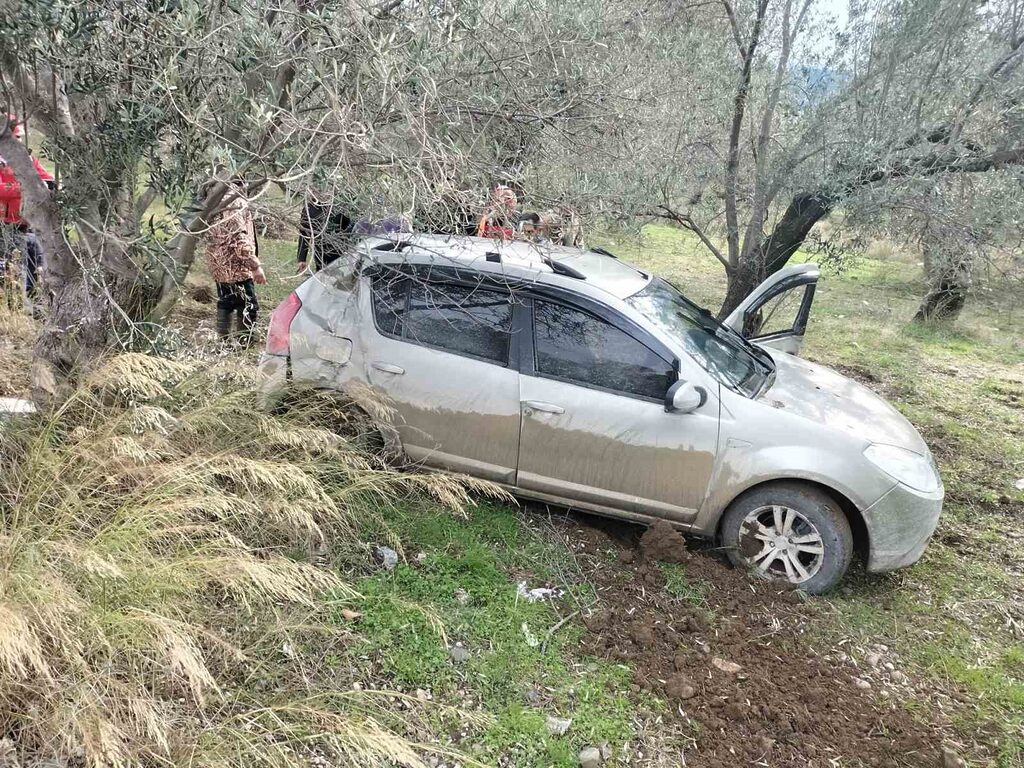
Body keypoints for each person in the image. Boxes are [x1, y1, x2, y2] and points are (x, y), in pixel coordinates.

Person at [0, 115, 55, 301]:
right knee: (12, 272)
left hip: (30, 225)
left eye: (20, 138)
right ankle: (12, 308)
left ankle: (34, 308)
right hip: (6, 227)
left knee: (37, 269)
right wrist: (28, 187)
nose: (19, 142)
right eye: (16, 138)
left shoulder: (28, 159)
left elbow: (47, 179)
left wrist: (51, 186)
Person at [204, 184, 265, 344]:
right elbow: (239, 237)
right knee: (248, 305)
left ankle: (223, 342)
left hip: (219, 263)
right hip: (236, 265)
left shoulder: (215, 196)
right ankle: (245, 344)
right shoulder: (234, 201)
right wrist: (255, 266)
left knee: (227, 301)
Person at [296, 193, 353, 273]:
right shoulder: (309, 209)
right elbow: (304, 234)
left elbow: (350, 227)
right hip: (320, 254)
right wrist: (301, 258)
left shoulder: (339, 207)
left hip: (340, 252)